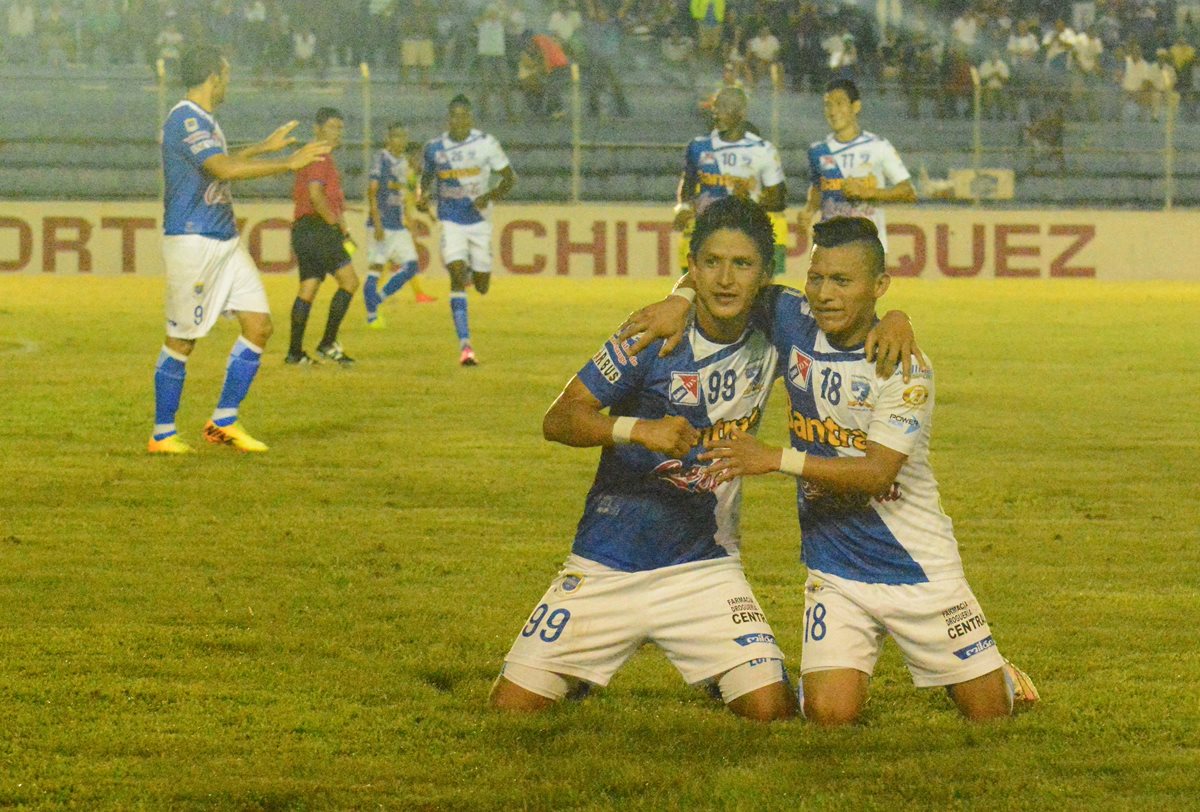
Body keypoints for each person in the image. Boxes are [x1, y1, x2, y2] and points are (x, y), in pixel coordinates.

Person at [619, 217, 1038, 726]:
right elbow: (727, 279)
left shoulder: (905, 368)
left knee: (989, 716)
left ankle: (1001, 675)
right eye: (816, 277)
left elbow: (878, 474)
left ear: (878, 286)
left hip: (918, 568)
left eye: (842, 281)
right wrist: (679, 299)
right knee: (827, 716)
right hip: (835, 566)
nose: (823, 293)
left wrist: (776, 458)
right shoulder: (791, 318)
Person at [490, 197, 795, 721]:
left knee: (771, 710)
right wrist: (638, 430)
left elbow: (845, 318)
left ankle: (725, 664)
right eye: (712, 263)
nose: (725, 279)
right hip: (607, 561)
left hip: (703, 567)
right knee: (511, 711)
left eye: (742, 264)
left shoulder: (775, 333)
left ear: (763, 274)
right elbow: (559, 419)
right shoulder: (652, 334)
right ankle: (579, 670)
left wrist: (897, 318)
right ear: (691, 268)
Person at [149, 44, 330, 454]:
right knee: (182, 340)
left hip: (224, 240)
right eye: (226, 74)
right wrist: (288, 165)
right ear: (214, 76)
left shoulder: (205, 121)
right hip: (193, 242)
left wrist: (265, 149)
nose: (228, 81)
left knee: (259, 326)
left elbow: (222, 160)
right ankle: (162, 433)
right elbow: (223, 169)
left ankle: (223, 422)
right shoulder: (184, 119)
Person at [418, 94, 515, 366]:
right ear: (448, 118)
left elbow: (510, 178)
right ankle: (466, 346)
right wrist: (421, 194)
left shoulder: (485, 144)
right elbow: (425, 179)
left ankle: (476, 273)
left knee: (482, 286)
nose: (460, 121)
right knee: (456, 273)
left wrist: (491, 195)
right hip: (450, 219)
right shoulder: (434, 148)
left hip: (479, 221)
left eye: (465, 116)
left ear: (471, 118)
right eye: (455, 116)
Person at [674, 86, 787, 277]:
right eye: (716, 107)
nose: (718, 113)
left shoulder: (763, 150)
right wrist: (683, 208)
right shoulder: (698, 147)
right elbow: (687, 187)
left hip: (746, 235)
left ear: (741, 112)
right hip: (707, 233)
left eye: (725, 107)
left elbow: (778, 200)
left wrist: (752, 200)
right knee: (695, 293)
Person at [798, 79, 917, 253]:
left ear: (856, 107)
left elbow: (908, 192)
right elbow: (818, 187)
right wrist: (808, 211)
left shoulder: (878, 146)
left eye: (839, 104)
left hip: (867, 246)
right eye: (828, 105)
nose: (833, 111)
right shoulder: (818, 151)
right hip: (830, 245)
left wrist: (868, 193)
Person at [285, 106, 358, 367]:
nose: (337, 132)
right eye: (332, 127)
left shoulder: (312, 157)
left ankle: (295, 353)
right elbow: (316, 195)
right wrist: (335, 226)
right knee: (349, 282)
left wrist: (342, 225)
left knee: (308, 288)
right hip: (318, 229)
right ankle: (327, 343)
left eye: (340, 127)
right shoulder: (321, 158)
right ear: (318, 130)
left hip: (303, 231)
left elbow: (329, 200)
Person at [363, 122, 423, 328]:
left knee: (411, 266)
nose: (401, 140)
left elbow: (402, 195)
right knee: (376, 268)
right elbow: (371, 191)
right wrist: (377, 222)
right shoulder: (381, 158)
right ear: (389, 139)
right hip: (381, 224)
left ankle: (377, 299)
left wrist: (410, 221)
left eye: (404, 136)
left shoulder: (404, 163)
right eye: (397, 136)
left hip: (397, 226)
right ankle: (372, 316)